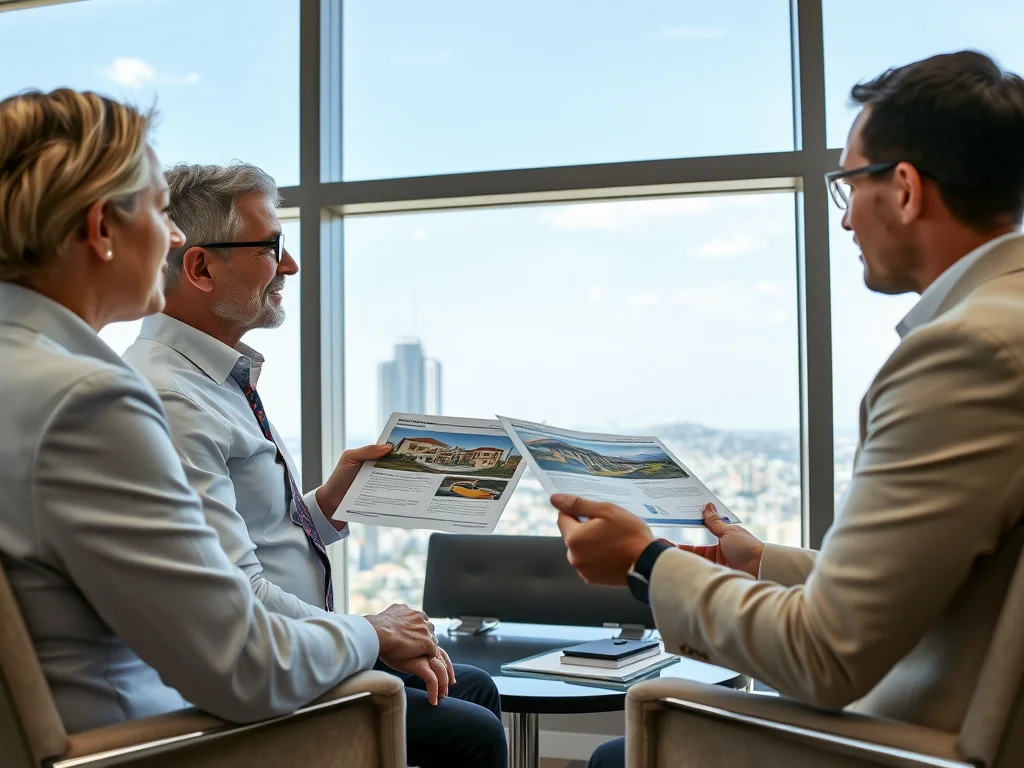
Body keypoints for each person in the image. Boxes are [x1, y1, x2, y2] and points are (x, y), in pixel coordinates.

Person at [556, 50, 1024, 768]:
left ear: (903, 189)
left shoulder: (967, 353)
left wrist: (646, 565)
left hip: (915, 744)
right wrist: (756, 561)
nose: (844, 224)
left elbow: (824, 656)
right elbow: (928, 586)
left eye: (847, 186)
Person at [0, 89, 440, 735]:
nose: (174, 237)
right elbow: (246, 664)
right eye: (159, 211)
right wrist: (370, 633)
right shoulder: (90, 402)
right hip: (147, 745)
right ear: (101, 230)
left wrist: (320, 510)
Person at [122, 162, 507, 768]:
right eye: (271, 248)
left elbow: (258, 534)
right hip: (256, 673)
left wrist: (328, 502)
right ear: (199, 267)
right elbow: (236, 593)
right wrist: (374, 630)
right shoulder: (174, 399)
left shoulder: (216, 379)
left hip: (293, 644)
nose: (290, 267)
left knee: (472, 686)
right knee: (471, 729)